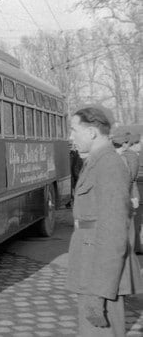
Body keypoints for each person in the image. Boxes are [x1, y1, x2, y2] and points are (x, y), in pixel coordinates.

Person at [67, 107, 143, 336]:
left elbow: (114, 235)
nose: (70, 137)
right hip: (91, 263)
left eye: (74, 130)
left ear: (91, 132)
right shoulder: (97, 161)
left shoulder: (108, 165)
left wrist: (98, 291)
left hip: (98, 273)